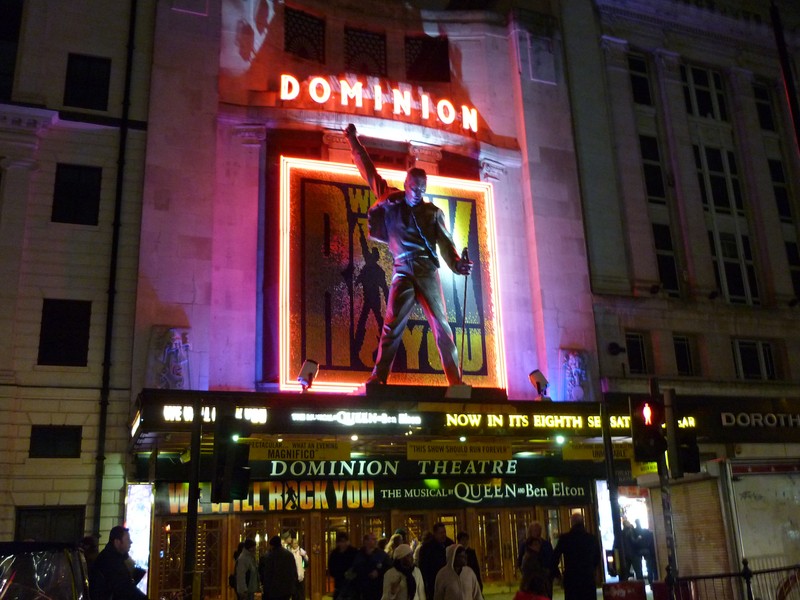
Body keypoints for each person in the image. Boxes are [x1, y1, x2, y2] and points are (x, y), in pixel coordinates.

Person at [344, 123, 473, 386]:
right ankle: (379, 377)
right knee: (391, 326)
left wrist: (459, 264)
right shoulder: (391, 200)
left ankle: (455, 382)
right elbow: (368, 171)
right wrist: (353, 141)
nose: (418, 194)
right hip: (402, 270)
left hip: (426, 271)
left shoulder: (433, 213)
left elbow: (447, 245)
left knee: (442, 327)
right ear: (406, 185)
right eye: (414, 189)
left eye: (423, 189)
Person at [89, 526, 149, 600]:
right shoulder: (110, 561)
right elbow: (126, 591)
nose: (131, 542)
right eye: (127, 539)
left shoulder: (113, 557)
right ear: (117, 542)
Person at [550, 514, 600, 600]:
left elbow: (554, 558)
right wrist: (592, 569)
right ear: (583, 522)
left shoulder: (565, 539)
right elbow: (597, 558)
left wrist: (558, 575)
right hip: (588, 578)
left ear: (572, 523)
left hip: (571, 578)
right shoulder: (591, 539)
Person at [417, 523, 454, 600]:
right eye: (441, 533)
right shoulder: (427, 548)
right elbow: (423, 567)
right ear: (435, 534)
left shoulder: (450, 544)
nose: (443, 535)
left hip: (449, 582)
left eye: (444, 532)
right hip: (433, 582)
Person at [517, 523, 553, 597]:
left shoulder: (546, 544)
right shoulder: (525, 546)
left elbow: (551, 559)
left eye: (538, 530)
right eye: (535, 530)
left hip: (544, 580)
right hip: (531, 583)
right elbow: (520, 561)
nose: (537, 532)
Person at [352, 533, 389, 600]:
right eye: (373, 539)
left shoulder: (381, 554)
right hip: (364, 588)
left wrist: (378, 572)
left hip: (378, 588)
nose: (375, 541)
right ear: (366, 541)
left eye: (375, 539)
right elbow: (356, 568)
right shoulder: (359, 554)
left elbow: (388, 566)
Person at [260, 536, 298, 600]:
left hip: (273, 589)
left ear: (271, 545)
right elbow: (294, 571)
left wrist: (264, 587)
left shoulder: (269, 556)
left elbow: (266, 574)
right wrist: (293, 586)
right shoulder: (289, 555)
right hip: (287, 589)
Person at [329, 532, 359, 600]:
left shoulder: (353, 552)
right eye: (341, 542)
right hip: (339, 584)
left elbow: (358, 566)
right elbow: (332, 569)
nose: (343, 544)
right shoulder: (334, 554)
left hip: (352, 585)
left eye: (344, 541)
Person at [286, 533, 309, 600]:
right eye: (294, 543)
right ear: (291, 544)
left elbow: (306, 560)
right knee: (294, 593)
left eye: (296, 543)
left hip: (300, 574)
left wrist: (304, 556)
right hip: (293, 575)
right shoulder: (289, 552)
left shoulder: (301, 551)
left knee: (301, 593)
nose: (296, 545)